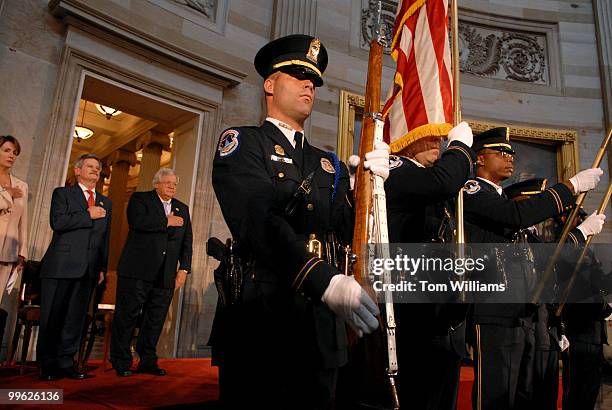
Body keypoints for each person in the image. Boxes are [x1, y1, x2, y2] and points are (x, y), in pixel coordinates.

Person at [210, 34, 383, 409]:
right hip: (263, 317)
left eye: (314, 81)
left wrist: (369, 191)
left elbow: (343, 228)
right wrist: (326, 280)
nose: (309, 84)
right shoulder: (243, 143)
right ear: (270, 84)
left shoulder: (328, 163)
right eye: (296, 74)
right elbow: (258, 223)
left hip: (320, 321)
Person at [463, 127, 603, 410]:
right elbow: (515, 215)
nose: (510, 157)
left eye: (511, 153)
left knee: (519, 396)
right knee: (494, 394)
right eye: (501, 152)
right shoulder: (473, 191)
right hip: (491, 308)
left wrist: (580, 234)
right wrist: (570, 187)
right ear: (480, 159)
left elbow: (545, 258)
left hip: (518, 313)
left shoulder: (499, 200)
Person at [381, 122, 475, 409]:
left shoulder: (425, 179)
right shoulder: (395, 170)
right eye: (425, 133)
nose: (436, 139)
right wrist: (459, 148)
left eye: (439, 136)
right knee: (418, 395)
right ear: (405, 139)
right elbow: (444, 181)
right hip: (409, 310)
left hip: (437, 311)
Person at [504, 178, 605, 410]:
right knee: (528, 392)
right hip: (528, 324)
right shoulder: (517, 237)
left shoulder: (535, 238)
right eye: (533, 202)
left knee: (546, 393)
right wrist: (578, 234)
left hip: (547, 327)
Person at [110, 168, 192, 377]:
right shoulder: (140, 199)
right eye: (168, 183)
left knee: (154, 319)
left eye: (175, 183)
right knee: (127, 316)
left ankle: (147, 361)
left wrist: (183, 270)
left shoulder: (182, 208)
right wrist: (166, 221)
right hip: (137, 270)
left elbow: (187, 243)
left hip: (165, 275)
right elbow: (137, 222)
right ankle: (121, 361)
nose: (172, 187)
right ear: (157, 184)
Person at [37, 154, 111, 380]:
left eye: (98, 168)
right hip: (61, 266)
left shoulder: (105, 202)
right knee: (53, 317)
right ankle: (48, 365)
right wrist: (87, 214)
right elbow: (58, 222)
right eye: (89, 166)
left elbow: (104, 239)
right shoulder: (63, 194)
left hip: (88, 269)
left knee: (75, 319)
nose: (95, 170)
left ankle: (66, 362)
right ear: (77, 171)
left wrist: (102, 268)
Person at [0, 135, 28, 348]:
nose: (12, 156)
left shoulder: (21, 185)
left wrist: (22, 251)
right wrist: (5, 193)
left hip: (7, 251)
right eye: (7, 150)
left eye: (15, 153)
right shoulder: (11, 188)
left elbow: (23, 220)